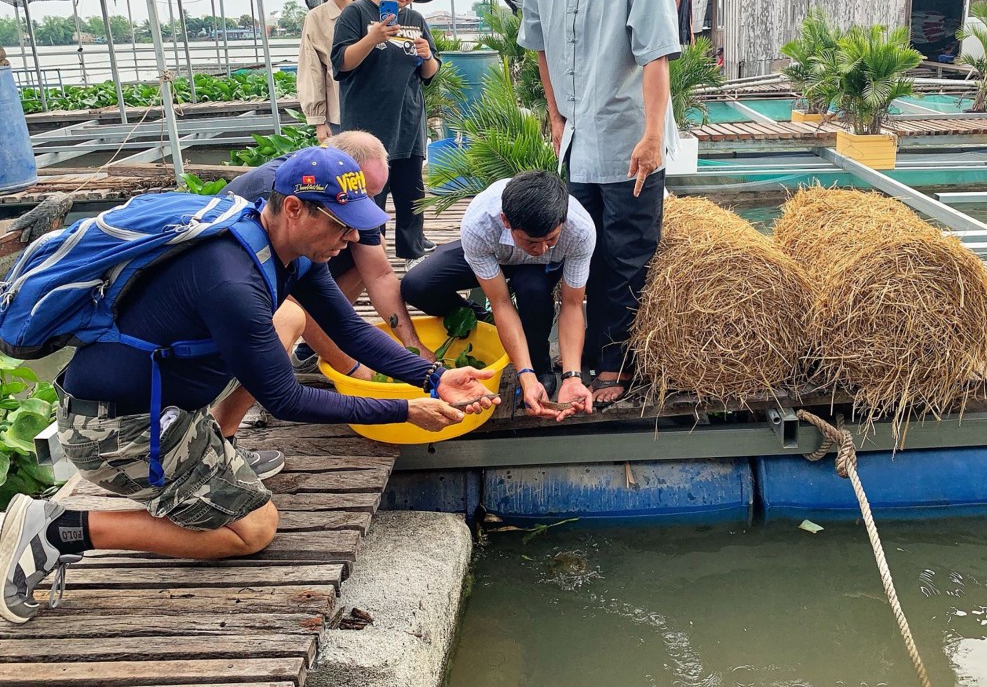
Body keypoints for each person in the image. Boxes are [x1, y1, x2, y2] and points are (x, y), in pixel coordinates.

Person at [0, 146, 496, 625]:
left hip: (165, 405)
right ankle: (59, 530)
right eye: (343, 226)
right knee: (254, 529)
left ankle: (207, 455)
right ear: (296, 209)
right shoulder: (230, 281)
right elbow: (286, 398)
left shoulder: (280, 245)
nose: (351, 240)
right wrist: (405, 411)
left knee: (287, 332)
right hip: (114, 430)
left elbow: (348, 328)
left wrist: (433, 377)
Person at [518, 0, 681, 405]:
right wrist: (556, 112)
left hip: (630, 137)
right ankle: (579, 356)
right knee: (576, 249)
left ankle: (616, 361)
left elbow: (656, 58)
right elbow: (539, 45)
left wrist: (653, 135)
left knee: (626, 253)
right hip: (577, 138)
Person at [224, 131, 436, 377]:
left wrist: (413, 347)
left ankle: (317, 342)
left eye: (373, 196)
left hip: (296, 261)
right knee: (289, 317)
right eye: (365, 196)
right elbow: (290, 296)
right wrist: (350, 366)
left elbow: (379, 275)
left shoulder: (349, 193)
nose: (370, 204)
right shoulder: (279, 195)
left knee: (373, 243)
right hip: (240, 291)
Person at [402, 170, 596, 419]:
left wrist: (572, 376)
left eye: (551, 239)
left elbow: (571, 304)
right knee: (417, 284)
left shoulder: (581, 230)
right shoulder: (479, 224)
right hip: (494, 253)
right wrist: (519, 368)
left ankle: (538, 367)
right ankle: (484, 322)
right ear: (506, 221)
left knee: (533, 290)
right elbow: (501, 302)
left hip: (537, 272)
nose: (541, 248)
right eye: (531, 242)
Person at [332, 0, 438, 271]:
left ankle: (412, 251)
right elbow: (341, 63)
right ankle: (366, 253)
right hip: (366, 128)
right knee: (367, 192)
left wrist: (426, 55)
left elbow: (430, 73)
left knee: (410, 193)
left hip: (407, 123)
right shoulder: (357, 14)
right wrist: (373, 37)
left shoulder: (415, 20)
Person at [297, 0, 358, 145]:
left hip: (373, 109)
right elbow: (312, 70)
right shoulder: (316, 18)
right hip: (338, 114)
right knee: (345, 171)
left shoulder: (368, 13)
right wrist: (318, 121)